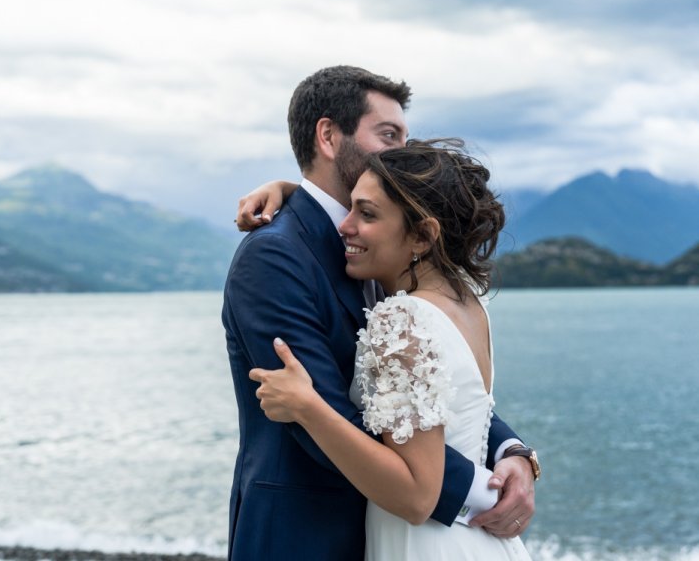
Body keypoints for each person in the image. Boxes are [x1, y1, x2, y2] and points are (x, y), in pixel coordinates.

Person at [223, 66, 537, 561]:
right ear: (328, 136)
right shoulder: (277, 255)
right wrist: (487, 490)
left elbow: (430, 389)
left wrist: (510, 451)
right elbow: (326, 416)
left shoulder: (379, 247)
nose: (399, 153)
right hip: (308, 537)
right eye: (387, 135)